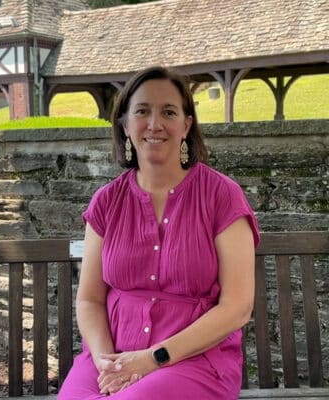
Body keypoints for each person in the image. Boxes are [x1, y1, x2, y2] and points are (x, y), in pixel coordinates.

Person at [58, 66, 259, 400]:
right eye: (142, 111)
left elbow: (237, 306)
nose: (154, 124)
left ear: (186, 125)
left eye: (168, 112)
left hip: (194, 361)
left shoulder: (221, 196)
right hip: (112, 356)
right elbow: (90, 299)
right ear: (124, 124)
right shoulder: (107, 202)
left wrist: (153, 359)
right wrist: (109, 364)